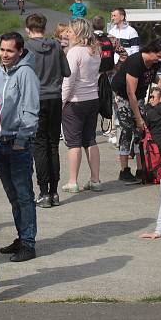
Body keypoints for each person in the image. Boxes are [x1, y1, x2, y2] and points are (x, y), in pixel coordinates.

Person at [0, 32, 40, 262]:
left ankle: (28, 243)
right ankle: (21, 236)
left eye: (9, 50)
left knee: (24, 196)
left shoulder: (26, 73)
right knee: (13, 197)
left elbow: (30, 110)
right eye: (2, 50)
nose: (4, 55)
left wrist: (21, 140)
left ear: (20, 52)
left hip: (17, 145)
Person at [24, 13, 70, 208]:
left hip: (36, 100)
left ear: (28, 29)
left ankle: (43, 192)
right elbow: (66, 72)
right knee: (53, 145)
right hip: (55, 98)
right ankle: (54, 191)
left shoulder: (26, 48)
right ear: (44, 27)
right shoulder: (57, 46)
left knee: (39, 146)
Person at [110, 38, 161, 183]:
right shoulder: (135, 62)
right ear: (151, 51)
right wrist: (138, 118)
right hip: (123, 96)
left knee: (140, 132)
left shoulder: (154, 63)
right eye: (158, 56)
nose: (159, 60)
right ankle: (124, 170)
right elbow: (130, 93)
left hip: (139, 96)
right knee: (127, 130)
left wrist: (159, 82)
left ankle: (141, 168)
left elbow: (150, 76)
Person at [61, 18, 102, 193]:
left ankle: (72, 181)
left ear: (77, 33)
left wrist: (62, 101)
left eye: (70, 31)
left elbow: (68, 80)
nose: (66, 33)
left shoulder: (74, 52)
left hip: (75, 101)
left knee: (73, 143)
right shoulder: (95, 50)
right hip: (93, 99)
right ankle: (95, 179)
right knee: (90, 140)